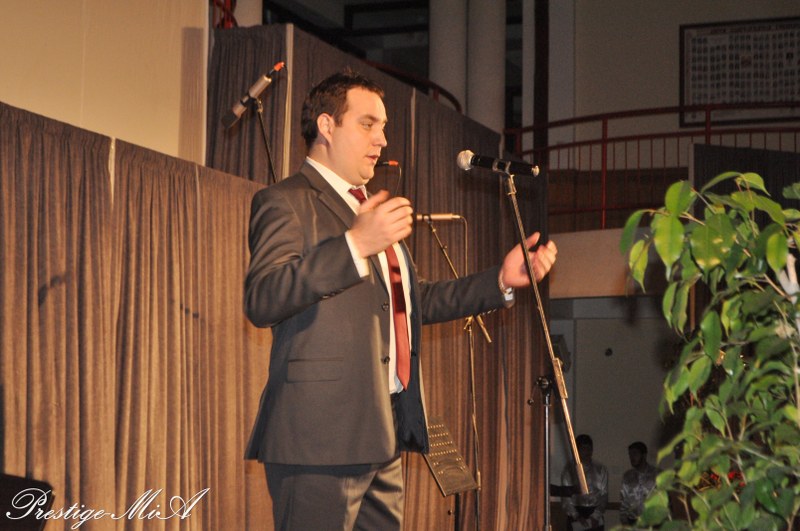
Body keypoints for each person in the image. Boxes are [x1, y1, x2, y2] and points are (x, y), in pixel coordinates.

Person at [242, 69, 558, 530]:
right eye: (368, 124)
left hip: (384, 434)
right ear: (327, 126)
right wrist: (353, 245)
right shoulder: (286, 201)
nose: (382, 139)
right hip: (318, 440)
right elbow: (263, 297)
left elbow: (415, 301)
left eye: (384, 126)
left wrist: (500, 281)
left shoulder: (367, 208)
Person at [561, 434, 608, 531]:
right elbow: (565, 498)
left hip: (595, 514)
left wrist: (596, 515)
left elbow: (604, 495)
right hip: (576, 514)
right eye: (584, 448)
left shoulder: (600, 469)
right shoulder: (569, 470)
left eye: (589, 448)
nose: (587, 451)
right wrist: (576, 515)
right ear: (577, 450)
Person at [620, 441, 659, 525]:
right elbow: (624, 500)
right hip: (632, 521)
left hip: (652, 522)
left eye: (635, 454)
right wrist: (623, 519)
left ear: (644, 455)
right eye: (630, 454)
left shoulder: (657, 474)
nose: (632, 457)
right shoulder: (627, 476)